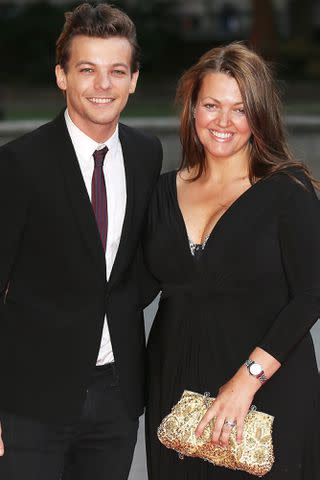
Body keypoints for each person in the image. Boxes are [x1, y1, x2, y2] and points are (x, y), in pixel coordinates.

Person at [0, 3, 162, 480]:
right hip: (29, 403)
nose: (103, 85)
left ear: (134, 79)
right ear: (61, 76)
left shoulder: (145, 154)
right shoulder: (18, 165)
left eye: (117, 71)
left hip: (116, 399)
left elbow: (133, 267)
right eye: (87, 69)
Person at [144, 42, 320, 479]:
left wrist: (245, 382)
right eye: (211, 105)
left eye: (240, 109)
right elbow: (129, 285)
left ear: (258, 116)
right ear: (192, 109)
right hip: (175, 386)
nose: (223, 122)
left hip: (268, 392)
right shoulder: (161, 192)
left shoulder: (287, 189)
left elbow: (312, 294)